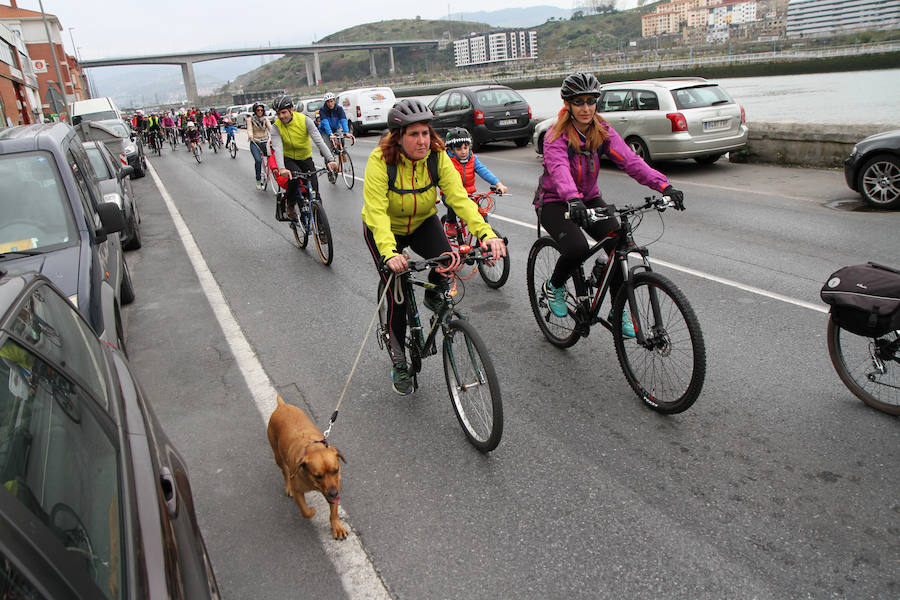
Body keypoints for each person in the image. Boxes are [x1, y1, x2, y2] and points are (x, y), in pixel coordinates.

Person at [361, 99, 507, 396]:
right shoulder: (381, 160)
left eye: (426, 133)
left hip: (423, 221)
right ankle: (399, 359)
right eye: (414, 134)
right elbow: (376, 211)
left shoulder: (437, 157)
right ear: (398, 137)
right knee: (398, 296)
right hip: (386, 229)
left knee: (448, 261)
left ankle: (433, 294)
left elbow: (458, 198)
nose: (422, 140)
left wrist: (486, 234)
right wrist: (390, 253)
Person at [535, 72, 685, 338]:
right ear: (568, 104)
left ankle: (618, 311)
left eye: (591, 101)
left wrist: (664, 186)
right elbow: (559, 169)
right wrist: (572, 198)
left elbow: (631, 161)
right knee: (577, 248)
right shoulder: (556, 135)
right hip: (555, 201)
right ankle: (554, 286)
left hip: (589, 198)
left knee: (617, 245)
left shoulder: (601, 131)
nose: (586, 108)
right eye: (579, 102)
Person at [269, 95, 337, 220]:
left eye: (284, 112)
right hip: (289, 159)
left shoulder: (305, 120)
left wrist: (330, 159)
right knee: (294, 179)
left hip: (305, 158)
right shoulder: (276, 127)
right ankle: (290, 204)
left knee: (315, 192)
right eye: (278, 114)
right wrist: (282, 168)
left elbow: (319, 141)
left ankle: (320, 224)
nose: (281, 116)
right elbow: (277, 148)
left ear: (291, 109)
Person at [441, 127, 508, 237]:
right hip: (450, 194)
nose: (463, 151)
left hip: (469, 194)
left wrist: (498, 184)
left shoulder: (472, 158)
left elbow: (483, 170)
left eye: (466, 147)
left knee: (481, 213)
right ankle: (450, 222)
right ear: (451, 149)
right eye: (459, 149)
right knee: (453, 203)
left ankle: (485, 236)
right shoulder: (446, 160)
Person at [247, 103, 272, 190]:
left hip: (265, 141)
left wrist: (274, 135)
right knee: (258, 160)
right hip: (255, 142)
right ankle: (258, 180)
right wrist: (250, 136)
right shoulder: (250, 119)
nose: (260, 112)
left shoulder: (265, 119)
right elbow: (249, 129)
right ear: (255, 111)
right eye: (258, 110)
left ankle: (272, 172)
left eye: (261, 110)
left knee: (272, 156)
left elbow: (270, 128)